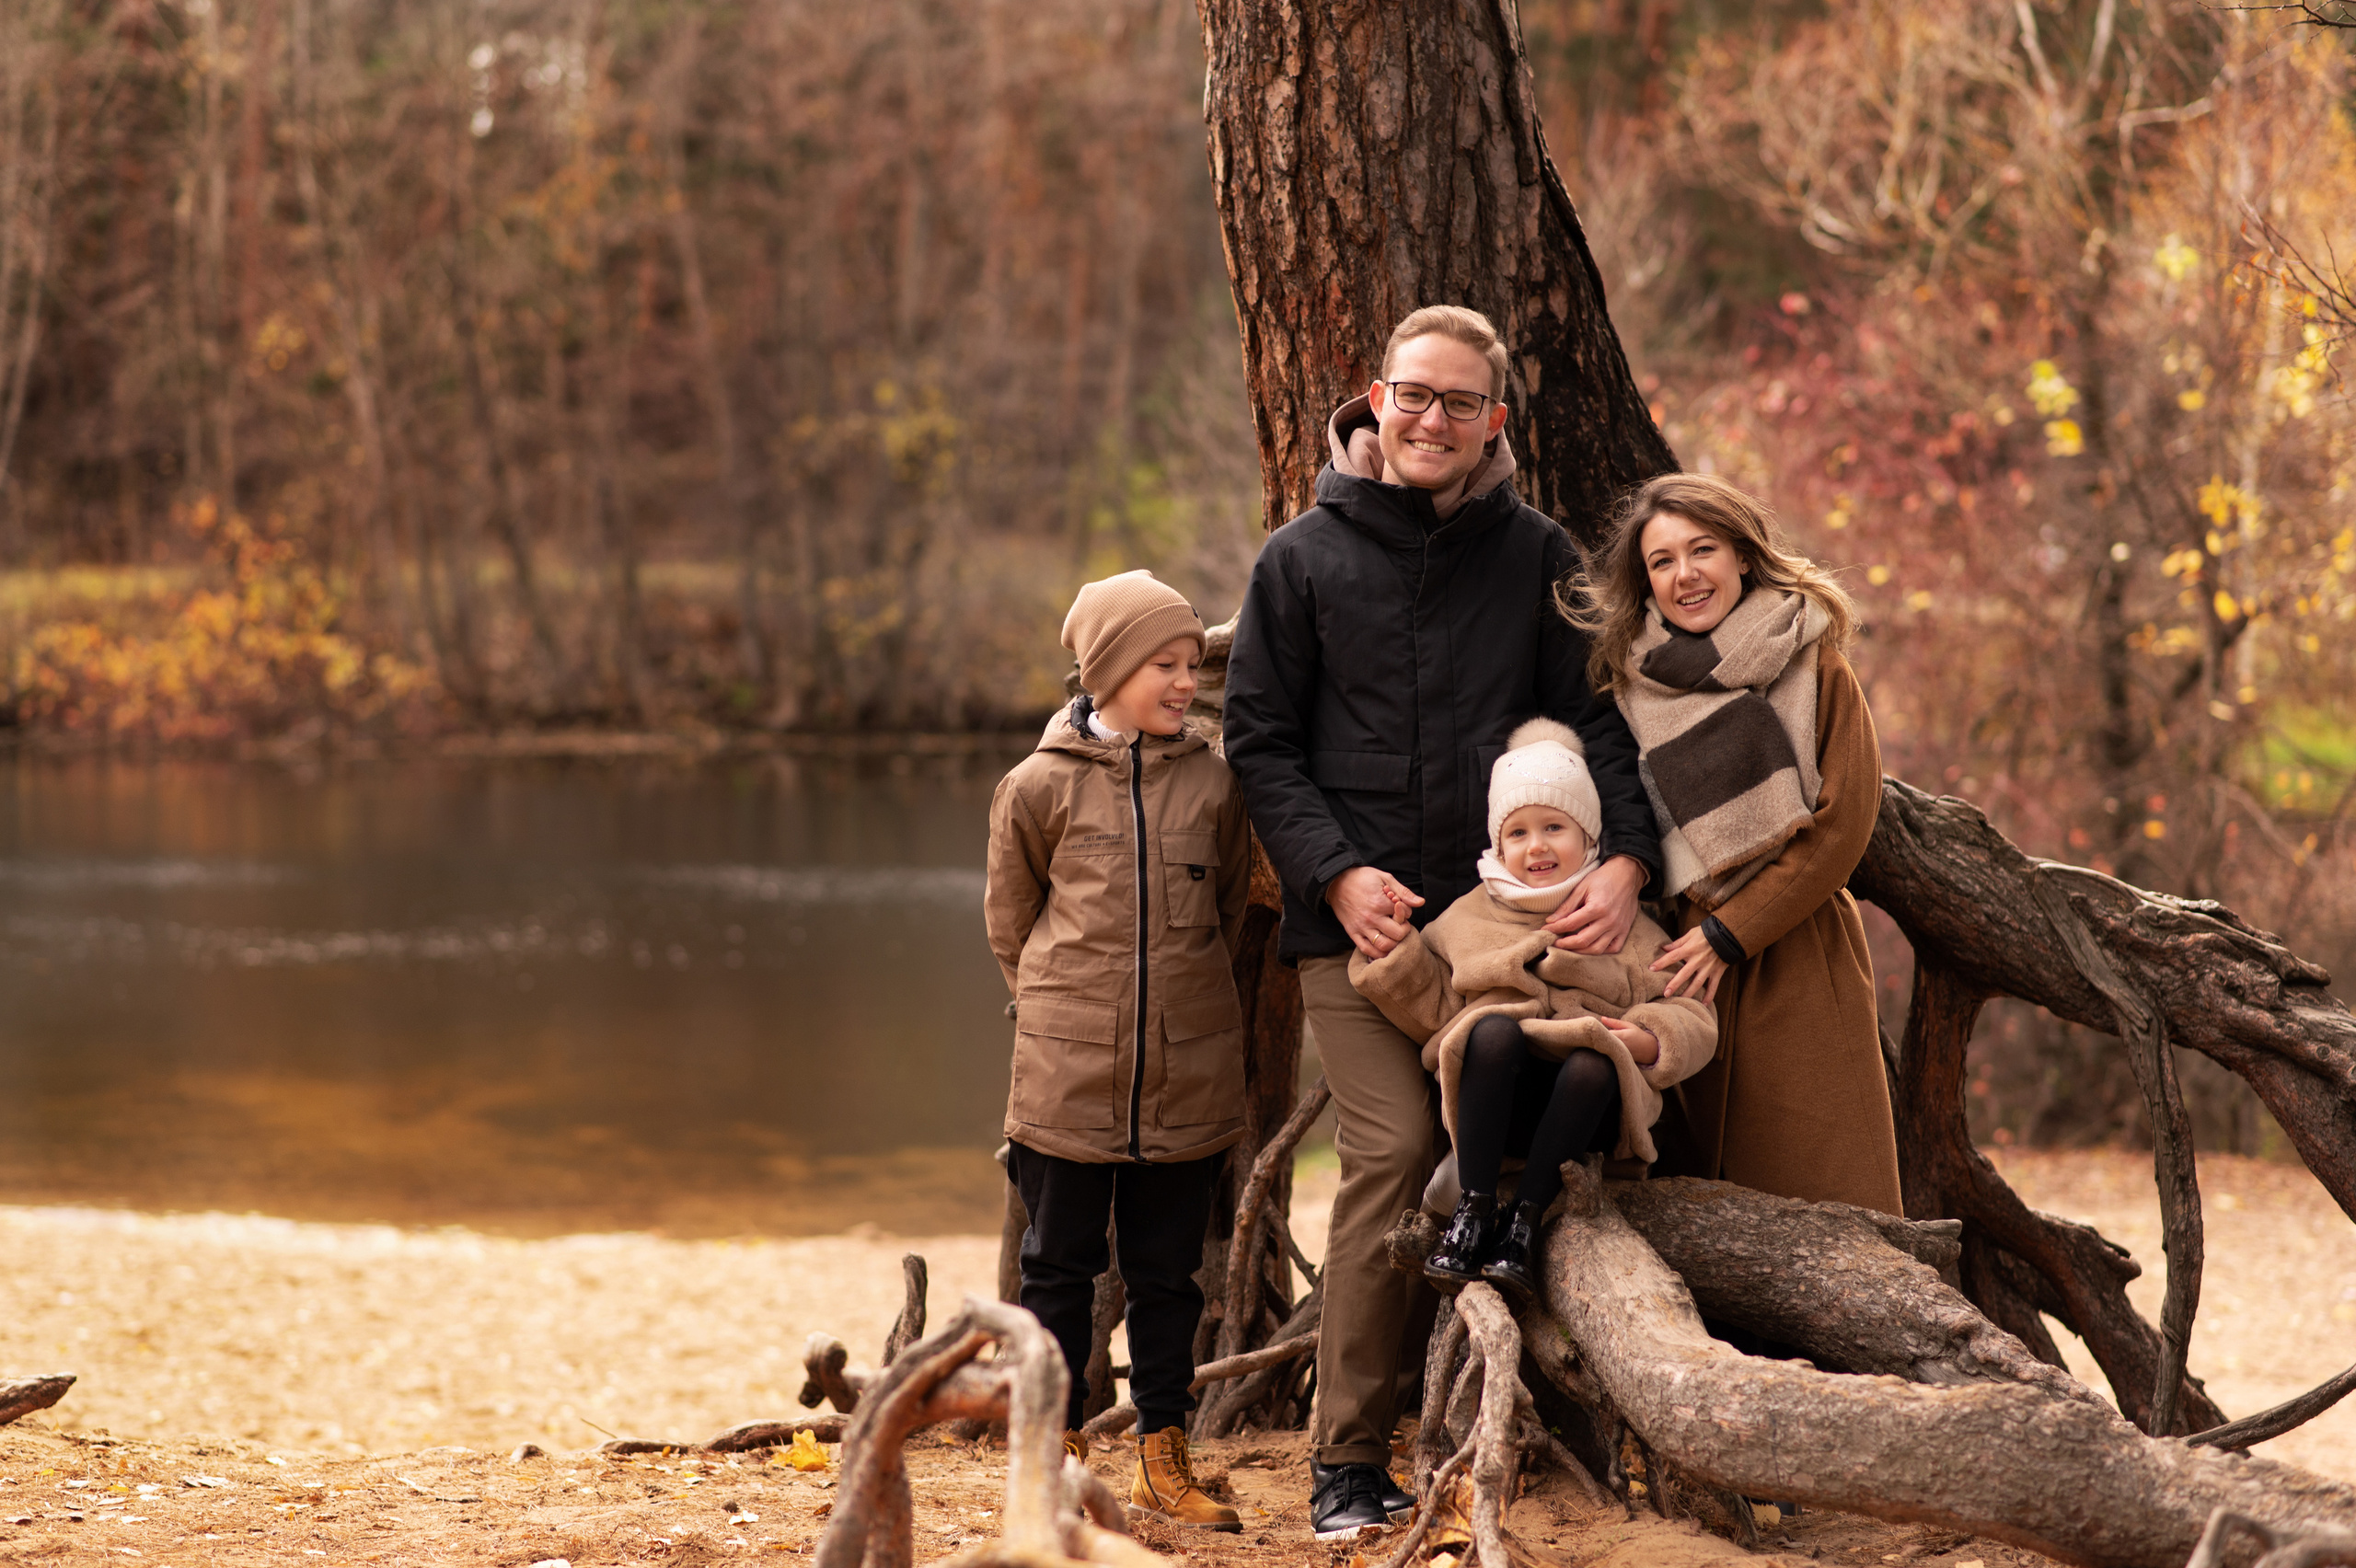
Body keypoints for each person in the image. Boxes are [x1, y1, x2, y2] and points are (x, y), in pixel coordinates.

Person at [1223, 306, 1662, 1542]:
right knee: (1395, 1152)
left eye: (1458, 404)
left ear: (1493, 425)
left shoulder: (1532, 555)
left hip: (1508, 937)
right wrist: (1333, 877)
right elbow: (1257, 741)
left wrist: (1625, 857)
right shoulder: (1299, 561)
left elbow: (1600, 721)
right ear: (1374, 398)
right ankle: (1347, 1468)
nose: (1430, 420)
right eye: (1413, 396)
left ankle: (1519, 1438)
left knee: (1547, 1128)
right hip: (1362, 940)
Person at [984, 569, 1253, 1531]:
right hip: (1067, 1072)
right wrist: (1069, 1015)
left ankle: (1161, 1454)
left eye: (1190, 663)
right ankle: (1048, 1458)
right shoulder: (1034, 788)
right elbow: (1012, 929)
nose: (1184, 682)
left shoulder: (1214, 785)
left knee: (1166, 1274)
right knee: (1056, 1266)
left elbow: (1222, 917)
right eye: (1162, 665)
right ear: (1103, 673)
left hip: (1186, 1072)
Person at [1569, 471, 1902, 1215]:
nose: (1685, 575)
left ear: (1743, 556)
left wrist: (1731, 933)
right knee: (1707, 1229)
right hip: (1678, 974)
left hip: (1794, 961)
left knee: (1829, 1218)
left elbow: (1845, 823)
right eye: (1662, 561)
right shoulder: (1625, 687)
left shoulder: (1812, 661)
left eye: (1703, 550)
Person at [1346, 721, 1717, 1297]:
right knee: (1491, 1033)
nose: (1536, 845)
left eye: (1554, 827)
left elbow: (1693, 1015)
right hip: (1502, 1110)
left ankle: (1524, 1219)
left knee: (1593, 1062)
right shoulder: (1468, 918)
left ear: (1589, 835)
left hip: (1585, 1119)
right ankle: (1473, 1212)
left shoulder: (1625, 925)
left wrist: (1650, 1038)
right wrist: (1398, 949)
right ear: (1498, 844)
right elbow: (1436, 1006)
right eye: (1517, 832)